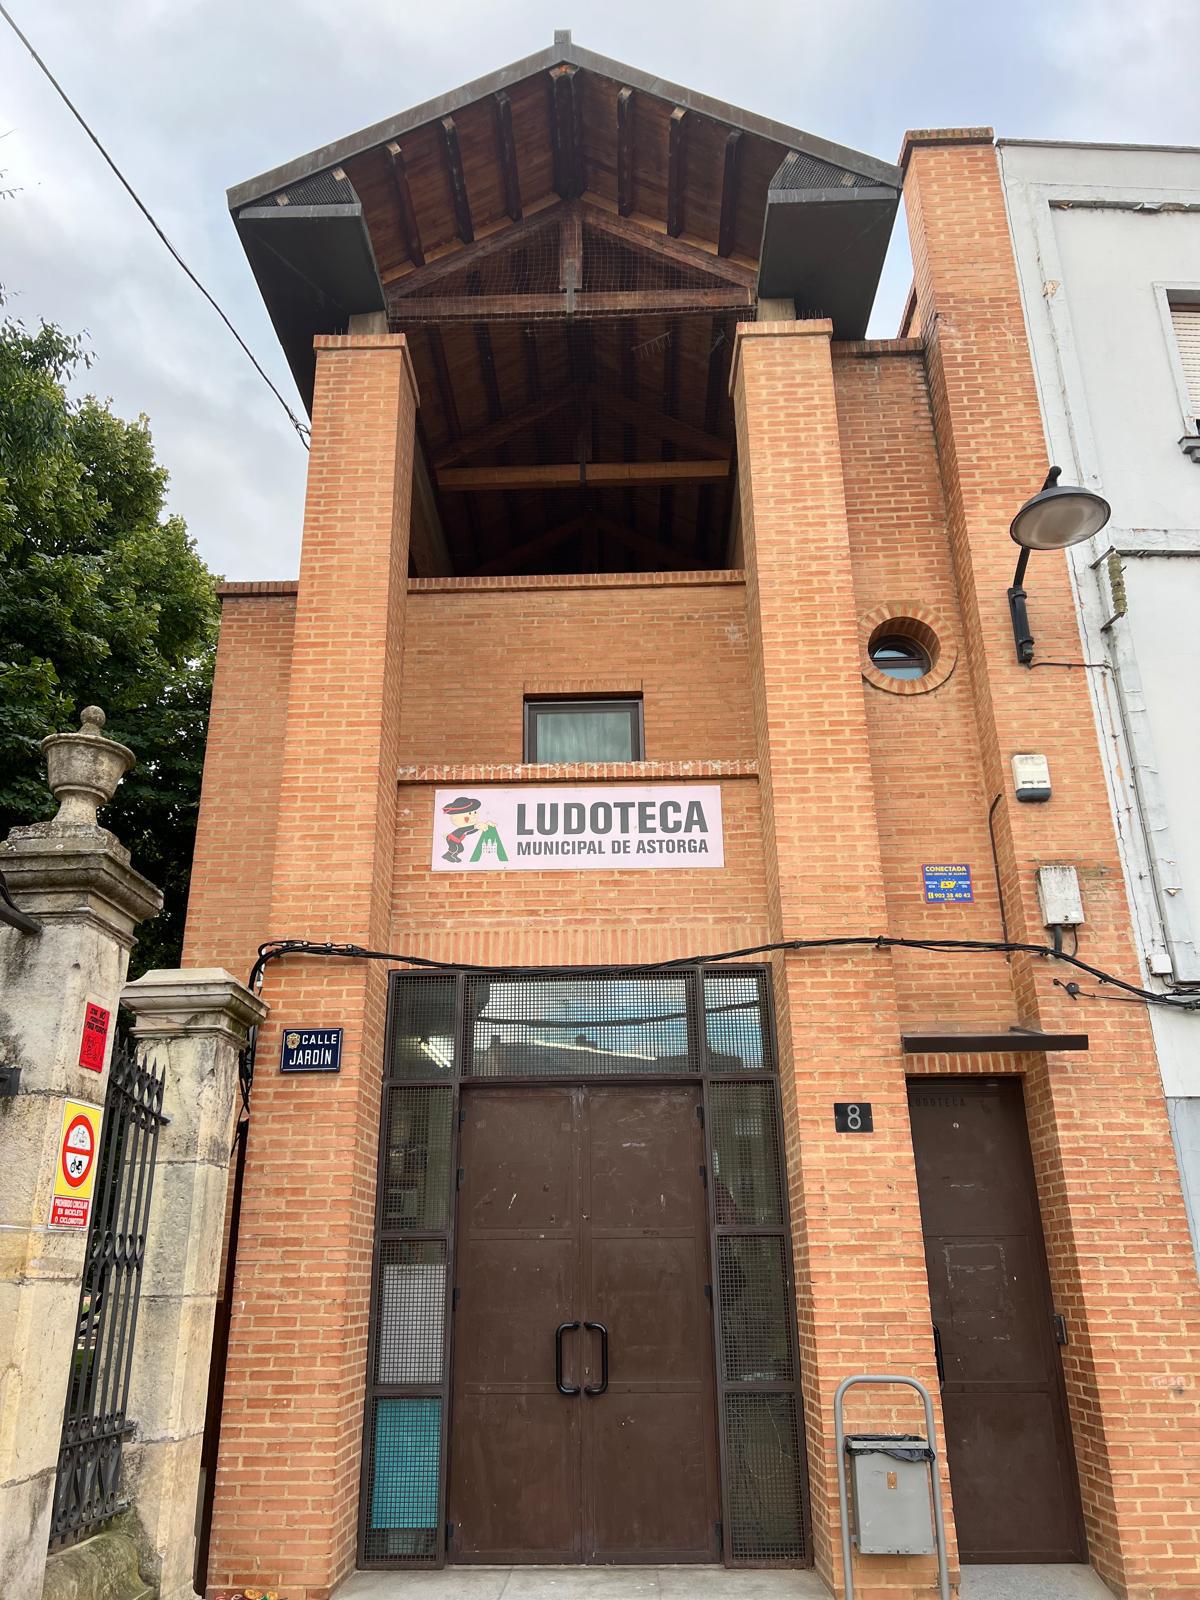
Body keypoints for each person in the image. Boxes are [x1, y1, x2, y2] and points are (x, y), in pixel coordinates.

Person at [441, 796, 481, 863]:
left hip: (457, 840)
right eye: (470, 813)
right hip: (451, 839)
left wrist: (477, 828)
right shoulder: (463, 828)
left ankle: (452, 855)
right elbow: (469, 829)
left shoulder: (466, 828)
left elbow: (469, 831)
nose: (473, 816)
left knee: (460, 849)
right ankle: (448, 856)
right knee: (453, 849)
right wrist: (476, 827)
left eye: (474, 813)